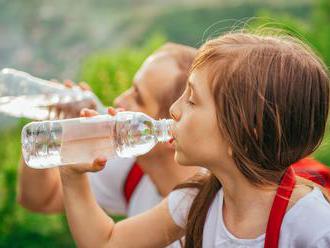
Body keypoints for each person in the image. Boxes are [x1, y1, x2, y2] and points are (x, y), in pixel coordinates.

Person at [58, 31, 330, 247]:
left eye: (191, 99)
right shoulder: (198, 198)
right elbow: (107, 241)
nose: (174, 110)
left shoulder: (311, 226)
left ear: (245, 130)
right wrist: (72, 172)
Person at [17, 43, 199, 222]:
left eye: (137, 97)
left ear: (171, 132)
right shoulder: (131, 171)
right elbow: (40, 200)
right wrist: (52, 126)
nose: (119, 99)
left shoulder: (208, 209)